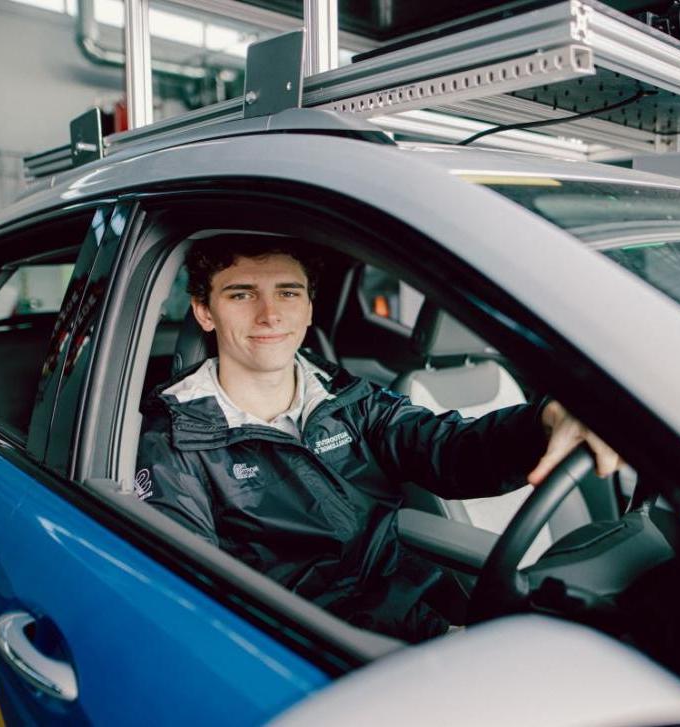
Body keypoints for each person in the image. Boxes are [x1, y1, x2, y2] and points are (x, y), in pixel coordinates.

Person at [137, 235, 621, 642]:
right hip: (306, 647)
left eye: (288, 293)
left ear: (308, 309)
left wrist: (544, 420)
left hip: (415, 623)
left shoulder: (352, 400)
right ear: (204, 311)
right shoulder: (177, 441)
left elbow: (453, 450)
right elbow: (194, 599)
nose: (269, 315)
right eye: (241, 294)